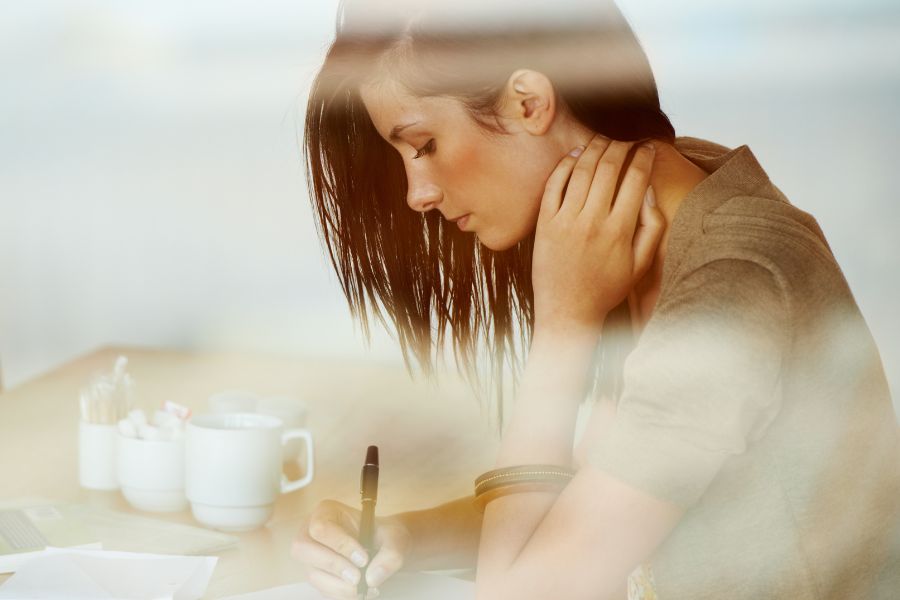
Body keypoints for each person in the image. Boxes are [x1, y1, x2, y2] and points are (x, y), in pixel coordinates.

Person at [291, 1, 900, 598]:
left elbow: (520, 594)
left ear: (528, 101)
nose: (416, 195)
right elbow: (582, 511)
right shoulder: (651, 212)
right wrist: (397, 536)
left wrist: (563, 327)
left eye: (423, 146)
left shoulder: (733, 284)